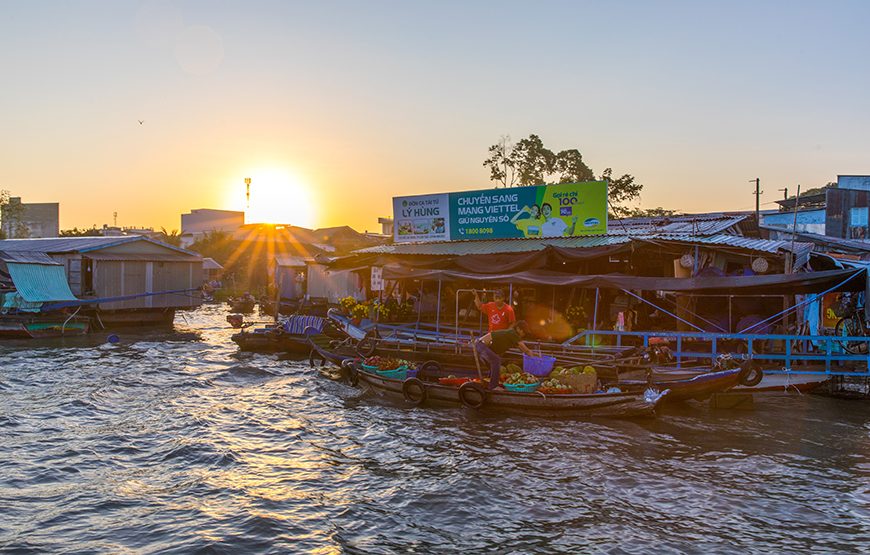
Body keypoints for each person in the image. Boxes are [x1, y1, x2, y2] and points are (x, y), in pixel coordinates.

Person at [475, 320, 535, 390]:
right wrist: (534, 358)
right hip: (481, 345)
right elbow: (525, 350)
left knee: (494, 362)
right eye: (523, 331)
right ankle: (493, 386)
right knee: (496, 360)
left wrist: (532, 353)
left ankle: (489, 383)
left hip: (483, 346)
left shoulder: (513, 335)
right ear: (518, 328)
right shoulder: (512, 333)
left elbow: (522, 350)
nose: (523, 334)